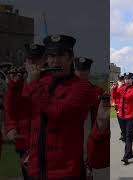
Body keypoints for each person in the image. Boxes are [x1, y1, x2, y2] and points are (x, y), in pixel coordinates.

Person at [21, 34, 109, 179]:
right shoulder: (41, 83)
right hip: (36, 170)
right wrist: (20, 85)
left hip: (65, 172)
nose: (55, 61)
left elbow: (58, 112)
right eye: (51, 56)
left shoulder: (82, 87)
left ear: (70, 58)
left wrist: (32, 85)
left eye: (61, 55)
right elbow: (23, 112)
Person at [4, 44, 45, 180]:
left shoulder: (49, 82)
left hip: (43, 142)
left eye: (36, 59)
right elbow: (10, 111)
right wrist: (11, 128)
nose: (32, 63)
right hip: (24, 141)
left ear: (43, 61)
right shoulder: (18, 83)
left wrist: (33, 82)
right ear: (25, 62)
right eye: (29, 60)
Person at [112, 72, 133, 165]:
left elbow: (128, 97)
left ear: (132, 79)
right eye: (126, 79)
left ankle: (126, 156)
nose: (127, 80)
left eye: (129, 79)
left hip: (130, 116)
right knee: (124, 136)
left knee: (128, 136)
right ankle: (130, 152)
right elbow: (116, 96)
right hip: (121, 115)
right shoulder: (122, 88)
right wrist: (114, 88)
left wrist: (120, 89)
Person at [112, 74, 126, 141]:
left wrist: (120, 87)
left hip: (125, 106)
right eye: (120, 79)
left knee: (125, 121)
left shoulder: (126, 86)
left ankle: (124, 134)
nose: (120, 81)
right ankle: (123, 133)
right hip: (117, 106)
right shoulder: (115, 86)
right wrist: (113, 102)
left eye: (122, 79)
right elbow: (113, 96)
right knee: (120, 122)